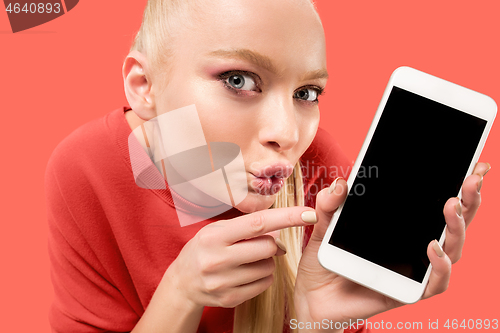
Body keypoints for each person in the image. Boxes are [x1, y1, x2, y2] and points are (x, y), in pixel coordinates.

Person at [45, 0, 491, 332]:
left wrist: (314, 323)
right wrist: (180, 293)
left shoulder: (325, 178)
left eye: (307, 93)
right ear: (144, 87)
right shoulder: (87, 170)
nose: (288, 133)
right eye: (239, 80)